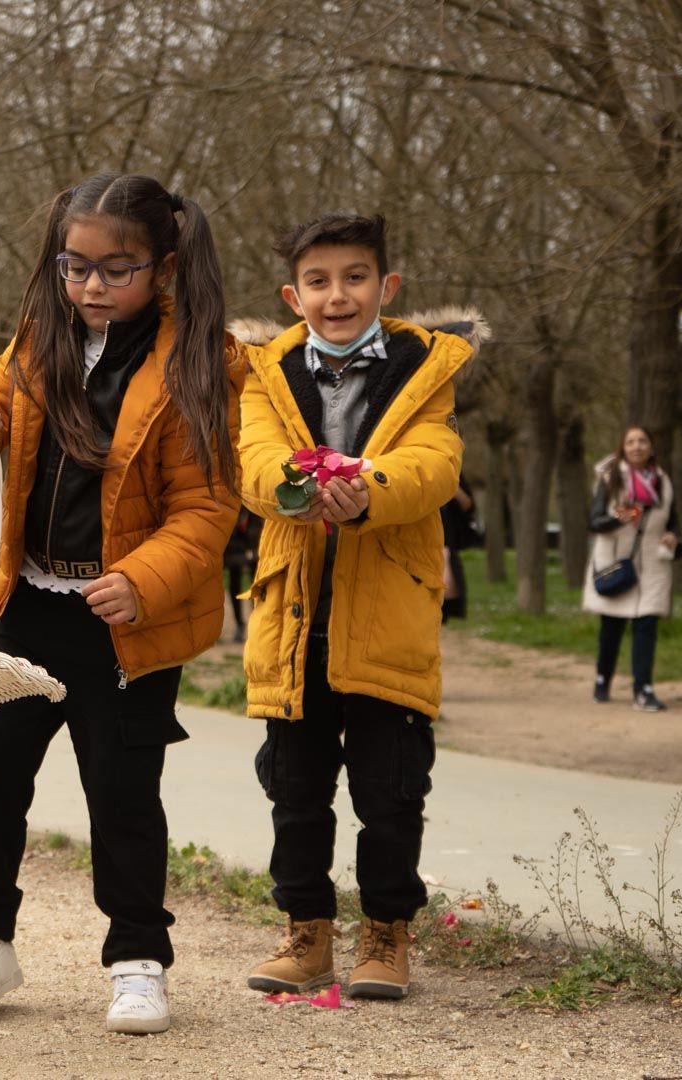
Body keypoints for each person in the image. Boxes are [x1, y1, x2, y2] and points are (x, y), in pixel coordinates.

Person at [0, 172, 244, 1034]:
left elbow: (209, 506)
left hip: (126, 623)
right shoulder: (35, 340)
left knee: (122, 790)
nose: (91, 287)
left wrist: (141, 578)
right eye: (75, 267)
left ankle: (139, 959)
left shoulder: (201, 365)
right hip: (24, 606)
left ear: (165, 266)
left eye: (116, 269)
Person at [236, 213, 478, 1001]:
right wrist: (295, 488)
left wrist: (365, 492)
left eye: (354, 277)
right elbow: (253, 459)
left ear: (386, 286)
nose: (337, 295)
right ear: (293, 294)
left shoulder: (425, 371)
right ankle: (307, 934)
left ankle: (386, 934)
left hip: (388, 615)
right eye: (318, 281)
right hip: (295, 613)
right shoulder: (264, 372)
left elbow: (434, 464)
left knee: (391, 790)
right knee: (295, 788)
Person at [582, 425, 680, 712]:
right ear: (622, 448)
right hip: (616, 561)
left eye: (643, 441)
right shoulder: (611, 478)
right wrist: (622, 516)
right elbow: (594, 522)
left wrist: (674, 535)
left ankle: (643, 689)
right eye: (631, 442)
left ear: (651, 447)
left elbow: (674, 519)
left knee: (646, 624)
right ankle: (603, 679)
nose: (637, 446)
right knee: (611, 627)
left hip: (652, 564)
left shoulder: (663, 481)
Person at [439, 474, 478, 623]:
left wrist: (452, 486)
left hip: (447, 540)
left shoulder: (456, 474)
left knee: (448, 586)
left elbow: (468, 505)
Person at [223, 508, 265, 642]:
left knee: (256, 585)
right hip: (234, 546)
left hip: (253, 545)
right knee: (235, 583)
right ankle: (239, 623)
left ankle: (257, 622)